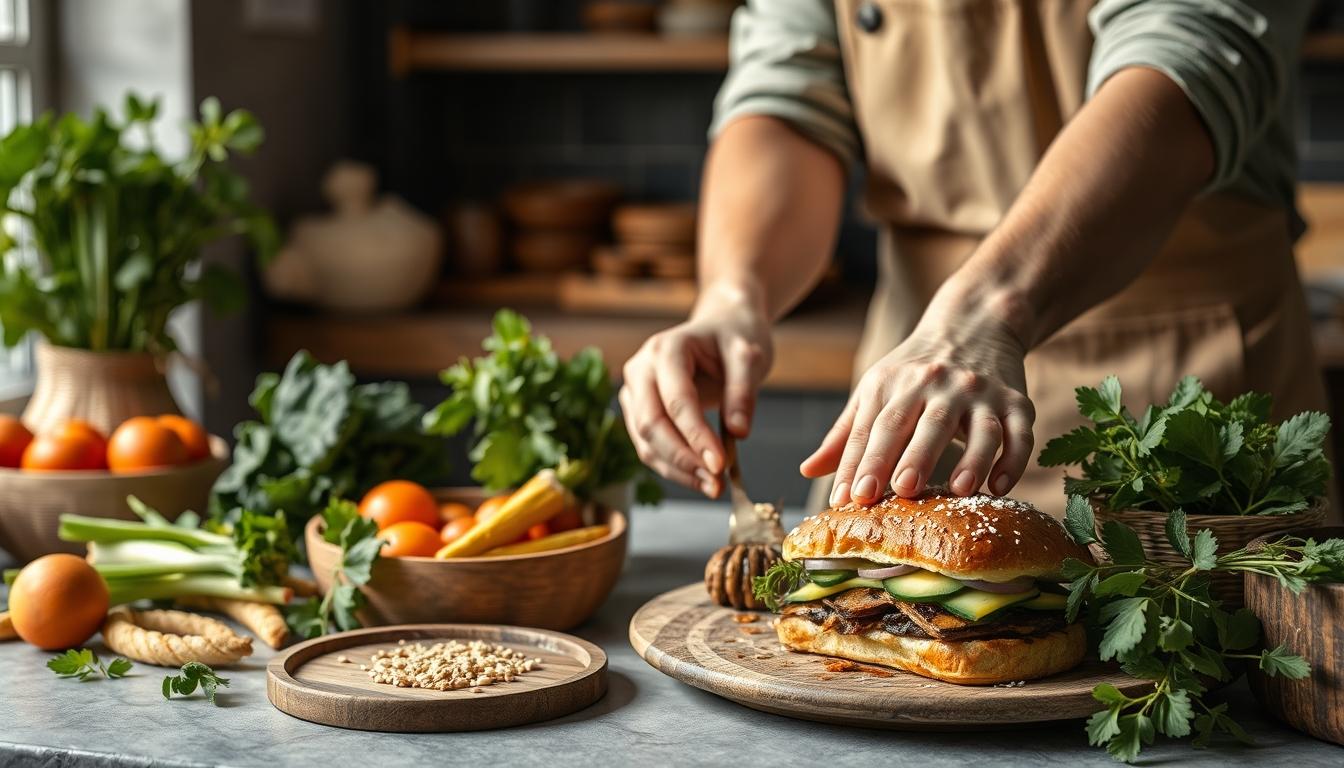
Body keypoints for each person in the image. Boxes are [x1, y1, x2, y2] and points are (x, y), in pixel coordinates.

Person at [618, 0, 1326, 516]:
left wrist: (985, 313)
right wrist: (734, 297)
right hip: (912, 395)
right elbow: (789, 92)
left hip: (1184, 394)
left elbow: (1189, 57)